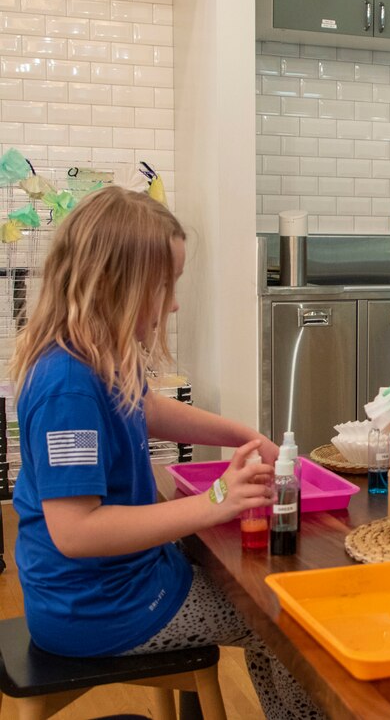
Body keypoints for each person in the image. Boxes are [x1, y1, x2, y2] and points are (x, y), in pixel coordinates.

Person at [10, 186, 323, 719]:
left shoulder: (97, 351)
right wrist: (217, 499)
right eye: (165, 285)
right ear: (118, 285)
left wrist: (245, 433)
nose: (174, 303)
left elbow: (148, 407)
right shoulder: (66, 384)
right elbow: (76, 531)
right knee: (281, 625)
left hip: (119, 585)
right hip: (97, 610)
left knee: (264, 599)